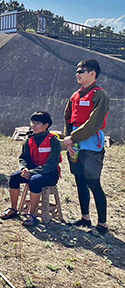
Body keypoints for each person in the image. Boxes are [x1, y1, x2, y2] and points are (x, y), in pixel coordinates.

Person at [63, 59, 110, 234]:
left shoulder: (100, 94)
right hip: (75, 143)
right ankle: (85, 218)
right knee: (80, 180)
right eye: (77, 71)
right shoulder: (75, 95)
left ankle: (103, 225)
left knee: (93, 182)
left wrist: (72, 138)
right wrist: (69, 140)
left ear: (93, 74)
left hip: (90, 144)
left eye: (82, 71)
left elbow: (94, 123)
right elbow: (67, 118)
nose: (78, 74)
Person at [0, 111, 62, 226]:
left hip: (50, 174)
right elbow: (23, 158)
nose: (33, 125)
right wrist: (23, 168)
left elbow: (51, 165)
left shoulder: (54, 141)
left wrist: (31, 173)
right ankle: (13, 209)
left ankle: (32, 214)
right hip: (32, 171)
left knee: (35, 181)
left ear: (46, 125)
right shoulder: (29, 139)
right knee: (14, 177)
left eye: (37, 123)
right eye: (32, 122)